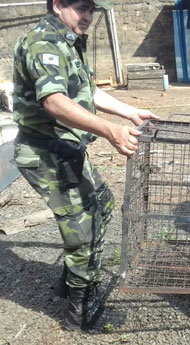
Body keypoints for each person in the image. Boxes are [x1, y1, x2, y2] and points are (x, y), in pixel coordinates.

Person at [12, 0, 159, 331]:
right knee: (85, 228)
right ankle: (81, 311)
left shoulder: (67, 39)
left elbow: (86, 90)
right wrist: (110, 130)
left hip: (64, 149)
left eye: (93, 9)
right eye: (81, 8)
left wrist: (128, 113)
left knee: (103, 204)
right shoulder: (43, 42)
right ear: (57, 5)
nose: (89, 17)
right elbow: (54, 101)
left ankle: (68, 282)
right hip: (44, 152)